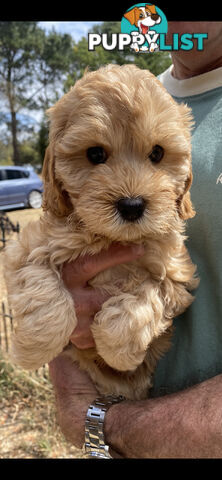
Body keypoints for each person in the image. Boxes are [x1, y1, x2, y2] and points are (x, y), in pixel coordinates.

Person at [49, 22, 222, 458]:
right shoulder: (108, 97)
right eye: (96, 155)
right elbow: (54, 237)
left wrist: (111, 425)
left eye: (156, 155)